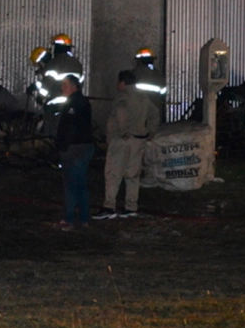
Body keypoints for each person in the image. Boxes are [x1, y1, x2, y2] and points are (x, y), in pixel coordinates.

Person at [94, 70, 160, 219]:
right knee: (133, 175)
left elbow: (121, 112)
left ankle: (109, 207)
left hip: (122, 141)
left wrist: (122, 131)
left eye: (118, 82)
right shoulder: (143, 97)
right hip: (139, 140)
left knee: (113, 173)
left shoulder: (122, 96)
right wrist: (150, 131)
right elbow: (154, 114)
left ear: (123, 82)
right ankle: (131, 207)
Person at [55, 74, 94, 230]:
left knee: (71, 185)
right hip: (83, 147)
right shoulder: (82, 102)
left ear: (73, 87)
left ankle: (69, 219)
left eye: (64, 86)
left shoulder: (73, 104)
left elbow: (69, 128)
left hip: (75, 149)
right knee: (81, 184)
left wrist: (63, 146)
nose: (62, 89)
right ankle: (84, 218)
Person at [41, 34, 85, 136]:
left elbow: (47, 86)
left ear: (58, 47)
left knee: (52, 136)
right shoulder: (77, 64)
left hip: (55, 108)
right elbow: (80, 84)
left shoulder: (54, 63)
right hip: (73, 105)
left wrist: (40, 97)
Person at [131, 47, 167, 114]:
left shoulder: (133, 74)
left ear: (139, 60)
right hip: (154, 108)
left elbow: (128, 91)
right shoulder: (158, 74)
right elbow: (163, 92)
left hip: (137, 109)